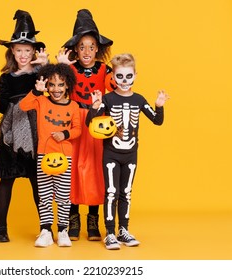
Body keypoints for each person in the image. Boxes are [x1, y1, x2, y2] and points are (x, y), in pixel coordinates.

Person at [0, 10, 48, 242]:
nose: (24, 55)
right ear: (12, 52)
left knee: (38, 180)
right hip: (11, 132)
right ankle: (2, 226)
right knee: (7, 178)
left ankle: (45, 227)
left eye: (28, 50)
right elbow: (4, 106)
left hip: (36, 131)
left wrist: (47, 66)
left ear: (34, 51)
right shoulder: (6, 77)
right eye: (19, 50)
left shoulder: (41, 73)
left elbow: (58, 90)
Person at [86, 53, 170, 250]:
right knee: (111, 192)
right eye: (120, 77)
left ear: (135, 76)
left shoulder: (139, 100)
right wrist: (95, 107)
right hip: (111, 153)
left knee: (126, 193)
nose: (124, 81)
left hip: (131, 153)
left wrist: (159, 106)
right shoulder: (107, 99)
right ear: (113, 77)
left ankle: (123, 230)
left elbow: (157, 121)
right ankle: (109, 233)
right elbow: (91, 124)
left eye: (128, 76)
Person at [56, 9, 114, 241]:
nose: (87, 51)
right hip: (72, 122)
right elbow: (55, 86)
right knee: (71, 171)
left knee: (94, 172)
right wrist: (60, 65)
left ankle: (93, 219)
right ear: (75, 49)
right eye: (82, 47)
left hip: (96, 123)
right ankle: (72, 218)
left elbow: (119, 89)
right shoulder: (68, 70)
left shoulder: (105, 70)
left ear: (97, 48)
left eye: (91, 46)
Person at [19, 63, 81, 247]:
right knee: (44, 194)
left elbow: (77, 129)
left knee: (63, 195)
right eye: (52, 85)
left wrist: (65, 134)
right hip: (43, 155)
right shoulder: (41, 101)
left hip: (64, 156)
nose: (56, 89)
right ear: (47, 85)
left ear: (67, 85)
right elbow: (23, 106)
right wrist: (36, 92)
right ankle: (45, 230)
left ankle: (63, 230)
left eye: (60, 85)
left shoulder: (74, 106)